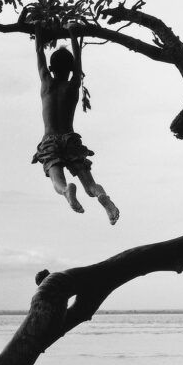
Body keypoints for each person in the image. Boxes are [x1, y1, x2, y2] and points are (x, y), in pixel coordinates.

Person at [32, 26, 120, 225]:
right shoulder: (73, 86)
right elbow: (78, 58)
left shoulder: (47, 83)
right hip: (70, 139)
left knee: (56, 179)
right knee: (90, 184)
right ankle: (101, 197)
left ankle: (66, 190)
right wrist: (74, 34)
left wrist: (39, 30)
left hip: (50, 139)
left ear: (51, 69)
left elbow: (39, 52)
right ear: (71, 69)